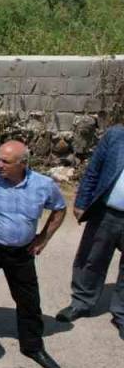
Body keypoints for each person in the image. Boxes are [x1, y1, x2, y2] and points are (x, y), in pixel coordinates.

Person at [0, 141, 65, 368]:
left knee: (29, 299)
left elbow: (59, 208)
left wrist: (43, 238)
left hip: (21, 252)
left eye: (5, 162)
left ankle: (32, 346)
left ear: (23, 164)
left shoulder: (44, 185)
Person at [55, 125, 124, 342]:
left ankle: (121, 314)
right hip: (106, 211)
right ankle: (81, 302)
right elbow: (94, 169)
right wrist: (82, 201)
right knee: (91, 258)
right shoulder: (116, 135)